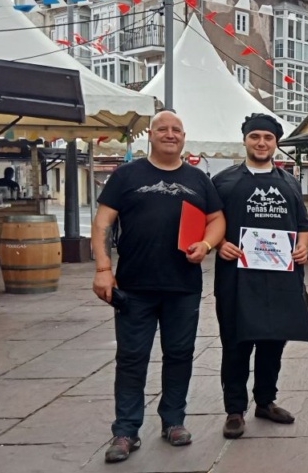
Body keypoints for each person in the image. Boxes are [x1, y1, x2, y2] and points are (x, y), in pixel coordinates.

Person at [92, 110, 225, 463]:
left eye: (176, 129)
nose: (170, 134)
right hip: (134, 285)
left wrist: (208, 245)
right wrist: (104, 268)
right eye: (163, 129)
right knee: (131, 358)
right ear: (150, 134)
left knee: (179, 355)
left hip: (183, 286)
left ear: (184, 136)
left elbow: (217, 220)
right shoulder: (126, 175)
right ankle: (125, 430)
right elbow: (103, 221)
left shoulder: (199, 179)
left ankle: (173, 421)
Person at [213, 113, 308, 440]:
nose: (261, 143)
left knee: (274, 341)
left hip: (281, 279)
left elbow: (303, 225)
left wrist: (303, 248)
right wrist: (219, 244)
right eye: (255, 136)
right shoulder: (224, 181)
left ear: (276, 143)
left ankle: (265, 401)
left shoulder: (288, 181)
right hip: (236, 279)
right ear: (245, 139)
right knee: (236, 344)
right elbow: (209, 223)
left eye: (268, 138)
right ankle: (234, 409)